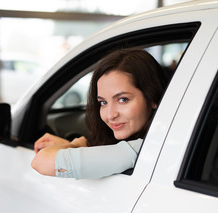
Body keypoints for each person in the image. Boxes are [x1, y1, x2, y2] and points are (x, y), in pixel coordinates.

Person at [31, 47, 168, 179]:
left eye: (122, 99)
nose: (110, 115)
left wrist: (76, 145)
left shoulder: (142, 149)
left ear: (152, 98)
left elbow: (41, 162)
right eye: (103, 102)